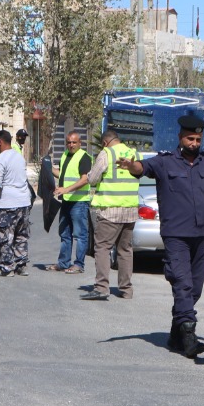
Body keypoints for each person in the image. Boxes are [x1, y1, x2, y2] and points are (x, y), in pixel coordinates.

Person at [119, 114, 204, 358]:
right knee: (182, 283)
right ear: (180, 137)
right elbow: (142, 168)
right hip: (175, 235)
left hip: (201, 235)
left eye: (197, 139)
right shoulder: (165, 162)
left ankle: (176, 334)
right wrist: (132, 166)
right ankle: (188, 336)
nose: (194, 143)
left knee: (195, 288)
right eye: (190, 138)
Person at [62, 129, 138, 301]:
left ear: (105, 142)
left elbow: (93, 178)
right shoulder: (133, 152)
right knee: (125, 250)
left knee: (102, 247)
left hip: (110, 210)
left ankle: (102, 287)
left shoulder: (107, 153)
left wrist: (91, 175)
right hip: (130, 210)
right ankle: (126, 289)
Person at [0, 129, 32, 276]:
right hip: (24, 202)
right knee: (21, 235)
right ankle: (21, 265)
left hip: (8, 204)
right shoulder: (19, 157)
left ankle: (7, 268)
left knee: (4, 236)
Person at [48, 132, 91, 275]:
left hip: (79, 202)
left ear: (80, 143)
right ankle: (63, 263)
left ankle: (79, 265)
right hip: (66, 201)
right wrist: (47, 166)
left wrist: (66, 189)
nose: (71, 145)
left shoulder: (84, 157)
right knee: (65, 233)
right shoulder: (65, 155)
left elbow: (84, 179)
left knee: (80, 235)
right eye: (68, 142)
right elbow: (61, 174)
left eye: (74, 142)